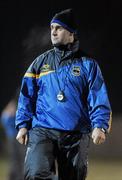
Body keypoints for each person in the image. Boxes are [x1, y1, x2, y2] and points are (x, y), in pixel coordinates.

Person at [15, 9, 112, 180]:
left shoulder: (88, 64)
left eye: (58, 28)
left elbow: (98, 97)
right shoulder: (40, 63)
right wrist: (22, 124)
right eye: (51, 27)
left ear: (71, 33)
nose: (53, 31)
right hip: (43, 129)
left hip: (76, 134)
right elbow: (26, 96)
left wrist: (100, 125)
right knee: (36, 173)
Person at [0, 89, 26, 180]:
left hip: (16, 137)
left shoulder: (17, 110)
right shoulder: (9, 111)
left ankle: (18, 176)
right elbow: (5, 121)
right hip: (13, 137)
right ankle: (15, 176)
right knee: (15, 159)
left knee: (19, 159)